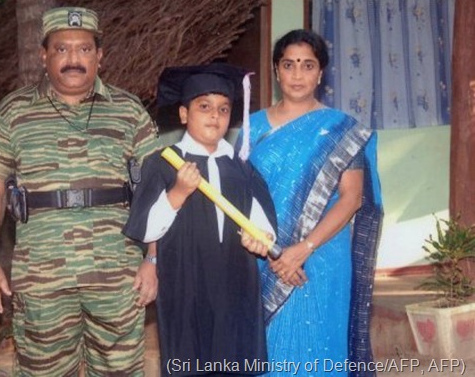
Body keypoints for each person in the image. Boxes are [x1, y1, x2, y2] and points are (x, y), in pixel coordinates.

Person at [0, 6, 161, 376]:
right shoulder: (14, 112)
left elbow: (155, 188)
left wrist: (153, 260)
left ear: (99, 56)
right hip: (41, 277)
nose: (73, 59)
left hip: (117, 275)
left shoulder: (128, 111)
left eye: (84, 49)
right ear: (43, 55)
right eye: (62, 49)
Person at [239, 29, 383, 376]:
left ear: (321, 73)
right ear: (276, 71)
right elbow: (239, 197)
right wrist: (269, 250)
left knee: (321, 346)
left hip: (321, 258)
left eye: (307, 65)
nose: (298, 74)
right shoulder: (251, 128)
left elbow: (352, 198)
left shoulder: (341, 129)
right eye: (289, 65)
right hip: (264, 259)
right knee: (271, 352)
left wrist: (303, 248)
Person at [123, 63, 277, 376]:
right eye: (204, 107)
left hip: (235, 283)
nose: (214, 116)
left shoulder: (241, 167)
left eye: (223, 109)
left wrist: (260, 238)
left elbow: (263, 224)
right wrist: (178, 192)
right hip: (185, 282)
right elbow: (147, 227)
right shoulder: (164, 163)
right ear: (184, 114)